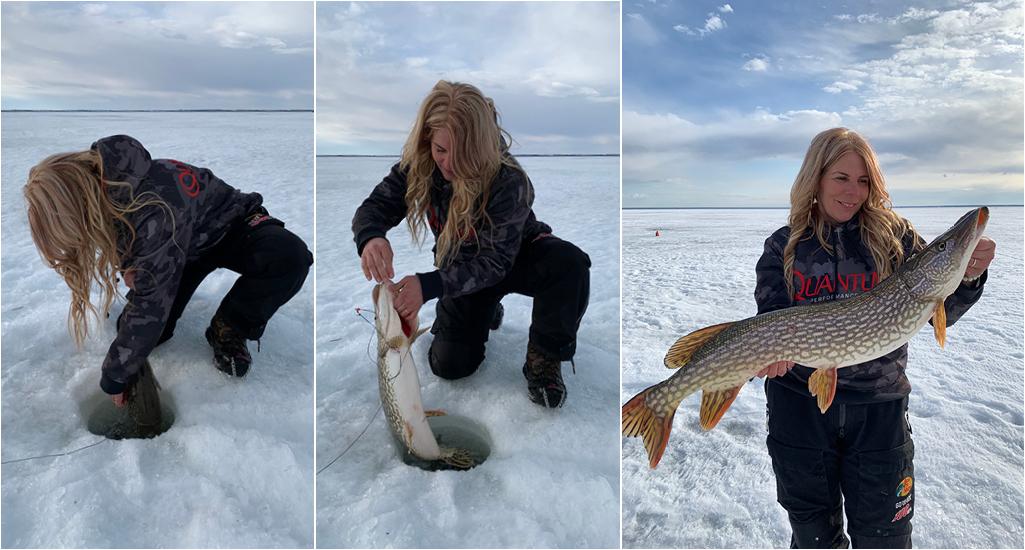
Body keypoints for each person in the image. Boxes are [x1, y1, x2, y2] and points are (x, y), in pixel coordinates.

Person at [753, 128, 995, 548]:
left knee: (885, 539)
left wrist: (968, 275)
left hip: (879, 414)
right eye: (841, 178)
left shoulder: (895, 238)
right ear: (816, 177)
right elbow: (772, 319)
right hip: (800, 413)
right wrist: (771, 356)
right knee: (814, 539)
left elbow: (944, 309)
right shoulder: (783, 247)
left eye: (864, 181)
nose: (854, 192)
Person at [24, 135, 312, 407]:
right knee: (141, 330)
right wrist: (129, 264)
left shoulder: (153, 206)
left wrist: (114, 377)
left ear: (76, 199)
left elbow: (151, 303)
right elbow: (122, 231)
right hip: (183, 251)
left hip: (232, 226)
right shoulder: (109, 186)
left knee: (289, 257)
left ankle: (230, 325)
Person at [352, 80, 591, 408]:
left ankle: (545, 357)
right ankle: (488, 308)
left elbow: (496, 262)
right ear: (428, 140)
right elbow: (376, 207)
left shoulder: (510, 179)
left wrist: (430, 284)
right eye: (440, 149)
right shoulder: (420, 164)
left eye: (462, 152)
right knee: (449, 365)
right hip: (464, 271)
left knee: (570, 264)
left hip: (518, 258)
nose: (448, 164)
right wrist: (371, 236)